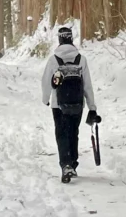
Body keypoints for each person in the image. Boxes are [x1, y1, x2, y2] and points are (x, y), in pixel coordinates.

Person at [41, 24, 101, 183]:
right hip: (77, 103)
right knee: (73, 132)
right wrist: (92, 107)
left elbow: (46, 81)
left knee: (61, 133)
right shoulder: (81, 59)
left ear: (60, 39)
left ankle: (66, 165)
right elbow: (87, 85)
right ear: (71, 39)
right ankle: (73, 163)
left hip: (58, 105)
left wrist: (46, 99)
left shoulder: (54, 60)